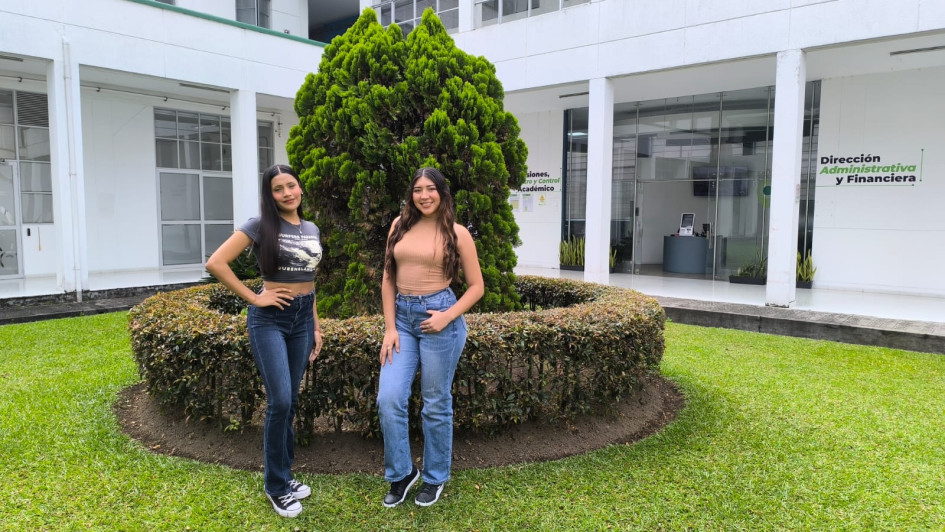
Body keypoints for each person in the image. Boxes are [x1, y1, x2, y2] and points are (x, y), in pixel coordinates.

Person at [206, 163, 323, 518]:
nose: (287, 193)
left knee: (290, 401)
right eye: (278, 189)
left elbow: (311, 282)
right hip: (270, 320)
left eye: (291, 185)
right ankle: (276, 487)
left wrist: (316, 327)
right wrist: (256, 298)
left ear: (300, 188)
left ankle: (285, 478)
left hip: (302, 319)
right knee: (281, 401)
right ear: (269, 195)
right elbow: (216, 262)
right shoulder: (259, 226)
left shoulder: (311, 227)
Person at [377, 167, 484, 508]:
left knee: (435, 402)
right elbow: (387, 279)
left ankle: (435, 476)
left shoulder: (456, 233)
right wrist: (390, 327)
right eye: (418, 190)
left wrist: (447, 317)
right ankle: (403, 473)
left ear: (442, 193)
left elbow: (477, 287)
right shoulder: (399, 226)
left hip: (440, 316)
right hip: (403, 320)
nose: (424, 196)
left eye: (430, 189)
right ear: (411, 194)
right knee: (389, 397)